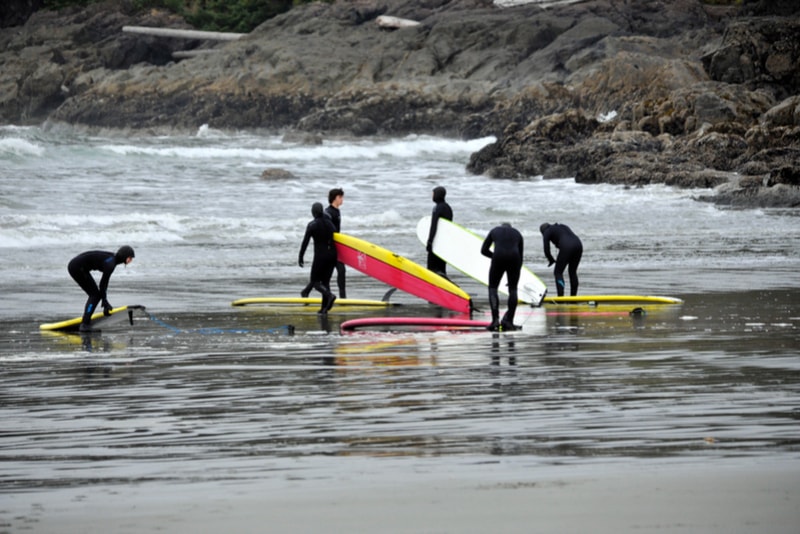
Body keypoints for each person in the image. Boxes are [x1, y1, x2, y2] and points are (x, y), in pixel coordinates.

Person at [68, 245, 135, 332]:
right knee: (95, 295)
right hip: (76, 268)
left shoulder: (112, 259)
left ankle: (85, 322)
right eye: (130, 257)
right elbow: (103, 284)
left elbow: (104, 285)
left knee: (96, 295)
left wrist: (105, 301)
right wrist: (105, 302)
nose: (131, 260)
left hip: (78, 266)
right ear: (124, 256)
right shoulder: (110, 264)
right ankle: (85, 324)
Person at [302, 188, 346, 298]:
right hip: (330, 248)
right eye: (340, 197)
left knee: (339, 271)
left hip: (335, 247)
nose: (342, 199)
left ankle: (306, 291)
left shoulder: (336, 211)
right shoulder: (328, 213)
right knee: (336, 272)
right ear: (335, 198)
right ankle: (342, 298)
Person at [481, 223, 524, 332]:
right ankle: (509, 321)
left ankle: (495, 320)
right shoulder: (518, 233)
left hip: (498, 257)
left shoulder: (494, 230)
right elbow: (521, 256)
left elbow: (483, 250)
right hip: (515, 259)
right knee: (513, 289)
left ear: (501, 226)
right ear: (511, 227)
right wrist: (514, 275)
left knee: (493, 288)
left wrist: (495, 256)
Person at [299, 202, 338, 314]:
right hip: (332, 255)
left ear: (314, 212)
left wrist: (301, 256)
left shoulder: (312, 225)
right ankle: (324, 309)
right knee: (325, 282)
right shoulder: (330, 223)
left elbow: (305, 242)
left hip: (321, 256)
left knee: (315, 282)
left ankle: (330, 296)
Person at [540, 222, 583, 297]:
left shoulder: (547, 231)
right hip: (578, 245)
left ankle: (560, 298)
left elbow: (546, 249)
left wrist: (551, 259)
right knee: (572, 272)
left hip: (567, 247)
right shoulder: (563, 226)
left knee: (558, 273)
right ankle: (573, 298)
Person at [426, 185, 452, 277]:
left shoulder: (437, 208)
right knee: (441, 270)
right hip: (444, 243)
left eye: (433, 194)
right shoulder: (448, 207)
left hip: (437, 242)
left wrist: (430, 241)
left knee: (432, 270)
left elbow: (434, 226)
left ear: (437, 195)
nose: (432, 196)